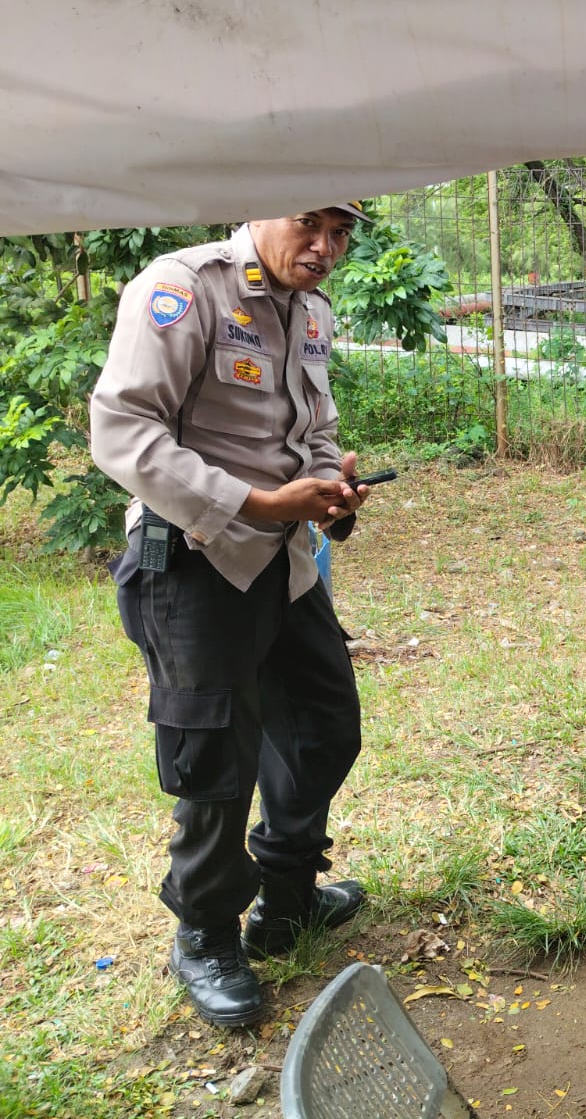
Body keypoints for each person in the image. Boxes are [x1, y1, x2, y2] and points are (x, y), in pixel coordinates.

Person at [90, 205, 376, 1028]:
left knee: (324, 725)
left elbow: (314, 428)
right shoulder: (183, 288)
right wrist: (257, 502)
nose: (324, 248)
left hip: (282, 561)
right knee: (215, 757)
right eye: (308, 224)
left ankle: (286, 899)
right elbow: (122, 432)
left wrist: (331, 490)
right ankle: (207, 934)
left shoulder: (311, 310)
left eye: (341, 233)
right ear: (260, 206)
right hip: (194, 557)